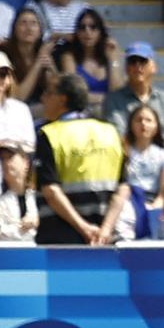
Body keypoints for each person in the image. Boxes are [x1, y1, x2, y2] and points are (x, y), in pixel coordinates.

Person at [32, 73, 129, 245]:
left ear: (63, 99)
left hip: (60, 239)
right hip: (103, 239)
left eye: (48, 93)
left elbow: (51, 191)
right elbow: (123, 189)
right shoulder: (111, 132)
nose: (42, 98)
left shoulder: (49, 134)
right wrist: (105, 230)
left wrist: (84, 228)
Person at [103, 42, 164, 147]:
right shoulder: (114, 100)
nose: (137, 66)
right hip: (129, 157)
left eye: (143, 61)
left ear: (154, 67)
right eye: (132, 61)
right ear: (126, 68)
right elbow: (118, 134)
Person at [56, 8, 122, 97]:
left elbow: (117, 91)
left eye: (93, 27)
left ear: (100, 32)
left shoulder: (111, 56)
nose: (87, 32)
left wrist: (113, 59)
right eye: (82, 28)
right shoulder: (69, 57)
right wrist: (107, 98)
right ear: (77, 33)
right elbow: (74, 95)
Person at [1, 7, 55, 105]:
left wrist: (51, 68)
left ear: (40, 31)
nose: (29, 28)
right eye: (23, 23)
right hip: (14, 107)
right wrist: (38, 63)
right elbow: (19, 97)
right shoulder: (5, 55)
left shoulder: (44, 52)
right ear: (14, 29)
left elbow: (57, 91)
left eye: (33, 23)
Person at [123, 105, 164, 206]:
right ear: (131, 125)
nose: (143, 123)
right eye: (138, 120)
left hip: (152, 200)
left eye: (148, 120)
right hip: (127, 200)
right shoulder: (124, 151)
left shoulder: (163, 155)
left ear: (156, 127)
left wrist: (157, 204)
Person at [0, 141, 37, 242]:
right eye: (2, 159)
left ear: (25, 162)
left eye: (10, 157)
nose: (5, 163)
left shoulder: (38, 198)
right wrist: (23, 227)